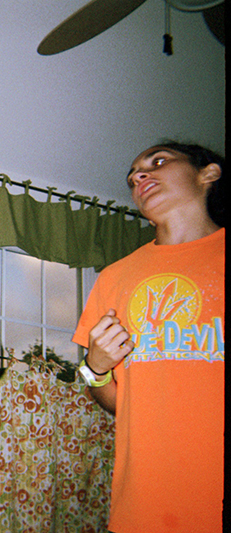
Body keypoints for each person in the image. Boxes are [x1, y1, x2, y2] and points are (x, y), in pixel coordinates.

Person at [72, 142, 225, 533]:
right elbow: (120, 401)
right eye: (132, 177)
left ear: (208, 174)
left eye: (158, 162)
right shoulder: (113, 278)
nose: (139, 176)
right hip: (142, 508)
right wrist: (95, 369)